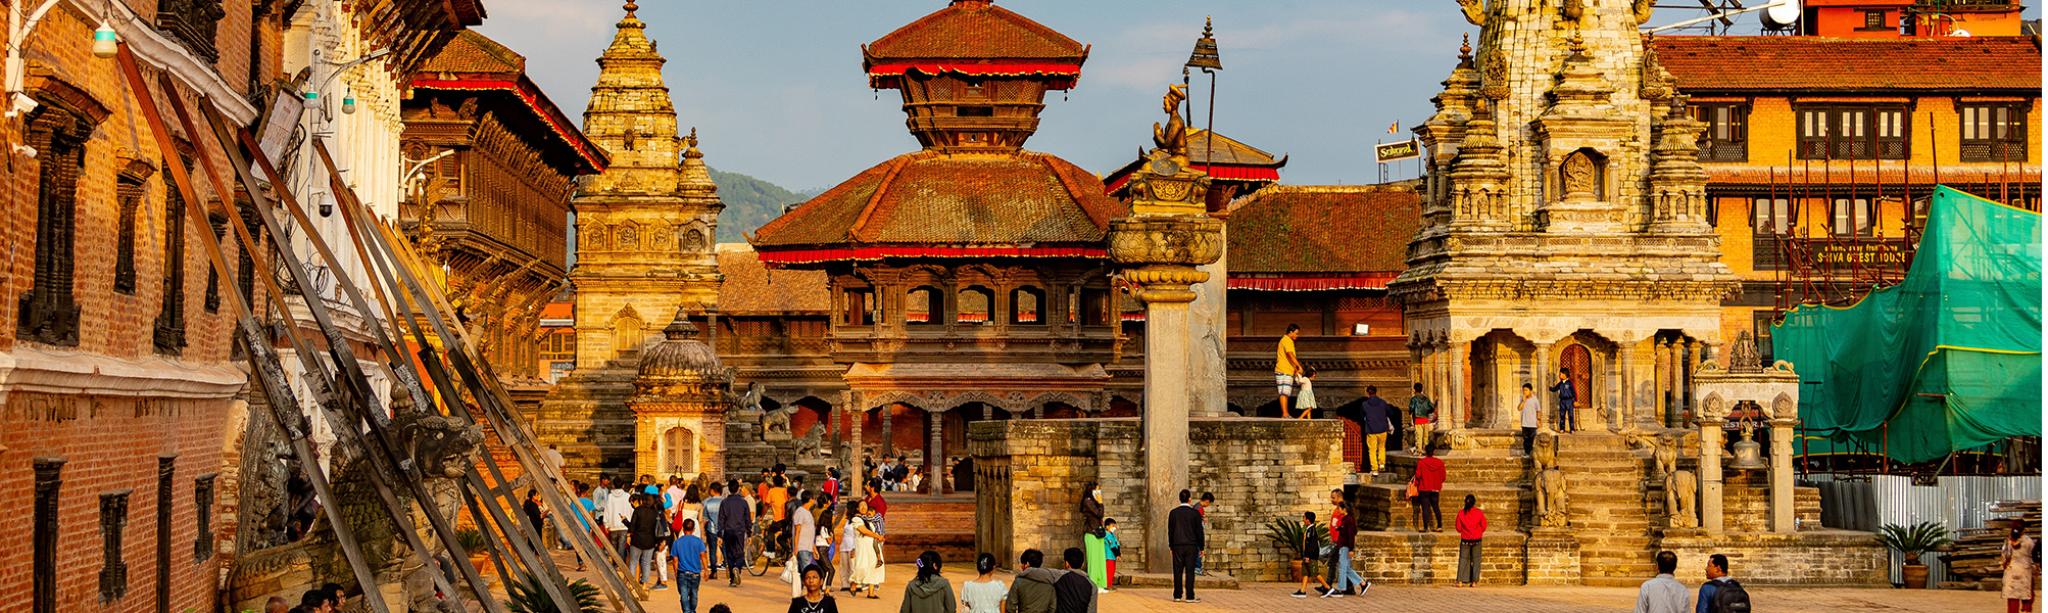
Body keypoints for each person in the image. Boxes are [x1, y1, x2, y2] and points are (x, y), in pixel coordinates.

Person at [1326, 488, 1368, 598]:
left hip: (1345, 546)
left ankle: (1341, 589)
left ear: (1344, 509)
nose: (1338, 510)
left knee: (1342, 568)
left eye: (1340, 508)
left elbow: (1350, 536)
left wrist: (1351, 549)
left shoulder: (1348, 520)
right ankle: (1362, 583)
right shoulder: (1346, 519)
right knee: (1346, 568)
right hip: (1342, 545)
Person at [1167, 489, 1203, 603]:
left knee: (1177, 571)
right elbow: (1199, 532)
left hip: (1177, 545)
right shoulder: (1195, 513)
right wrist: (1201, 547)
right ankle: (1189, 596)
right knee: (1190, 571)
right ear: (1189, 499)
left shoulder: (1173, 513)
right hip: (1191, 545)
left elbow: (1170, 531)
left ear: (1179, 499)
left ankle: (1177, 595)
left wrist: (1171, 546)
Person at [718, 478, 755, 587]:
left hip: (728, 530)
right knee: (739, 552)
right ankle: (737, 567)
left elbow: (721, 519)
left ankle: (733, 578)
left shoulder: (724, 502)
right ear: (738, 489)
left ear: (728, 489)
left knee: (729, 554)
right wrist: (749, 533)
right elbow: (747, 519)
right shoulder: (743, 502)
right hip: (740, 531)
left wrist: (719, 534)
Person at [670, 518, 710, 613]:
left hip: (682, 572)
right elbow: (703, 556)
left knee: (683, 594)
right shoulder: (698, 542)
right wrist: (706, 569)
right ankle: (692, 610)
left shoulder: (677, 542)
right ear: (694, 529)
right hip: (695, 572)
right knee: (694, 593)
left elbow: (675, 560)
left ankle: (687, 611)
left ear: (683, 529)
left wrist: (676, 573)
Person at [849, 499, 887, 599]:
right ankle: (854, 583)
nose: (863, 507)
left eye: (865, 505)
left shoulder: (869, 519)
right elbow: (864, 531)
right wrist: (877, 536)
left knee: (873, 568)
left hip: (873, 548)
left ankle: (871, 593)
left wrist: (880, 537)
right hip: (862, 548)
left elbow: (878, 529)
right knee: (862, 567)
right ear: (857, 508)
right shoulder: (856, 519)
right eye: (861, 506)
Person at [1293, 511, 1335, 598]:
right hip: (1307, 556)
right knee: (1305, 573)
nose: (1303, 519)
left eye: (1304, 518)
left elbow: (1311, 546)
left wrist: (1308, 556)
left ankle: (1327, 588)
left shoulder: (1311, 531)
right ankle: (1302, 591)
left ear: (1308, 520)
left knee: (1315, 573)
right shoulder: (1309, 529)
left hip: (1310, 557)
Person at [629, 494, 667, 588]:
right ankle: (644, 584)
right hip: (650, 541)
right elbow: (657, 528)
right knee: (646, 563)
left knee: (633, 561)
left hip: (637, 540)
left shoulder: (638, 510)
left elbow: (632, 525)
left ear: (642, 501)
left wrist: (629, 535)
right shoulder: (654, 513)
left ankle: (631, 582)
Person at [1455, 495, 1488, 587]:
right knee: (1476, 560)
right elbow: (1484, 525)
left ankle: (1460, 580)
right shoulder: (1479, 512)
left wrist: (1465, 531)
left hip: (1465, 539)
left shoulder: (1461, 513)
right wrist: (1478, 531)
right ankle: (1474, 581)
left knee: (1463, 560)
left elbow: (1458, 528)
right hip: (1477, 539)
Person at [1360, 386, 1393, 475]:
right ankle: (1382, 464)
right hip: (1382, 429)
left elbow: (1362, 415)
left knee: (1372, 450)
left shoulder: (1365, 404)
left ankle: (1374, 469)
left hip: (1371, 430)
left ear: (1367, 393)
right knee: (1382, 447)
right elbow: (1390, 412)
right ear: (1376, 392)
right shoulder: (1382, 403)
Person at [1054, 547, 1098, 613]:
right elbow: (1091, 610)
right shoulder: (1092, 586)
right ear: (1082, 564)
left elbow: (1034, 572)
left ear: (1066, 563)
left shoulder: (1057, 576)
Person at [1413, 446, 1446, 532]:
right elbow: (1443, 477)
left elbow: (1418, 475)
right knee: (1436, 507)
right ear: (1434, 452)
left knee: (1425, 508)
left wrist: (1416, 484)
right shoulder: (1440, 463)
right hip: (1435, 488)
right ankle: (1439, 526)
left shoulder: (1422, 462)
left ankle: (1425, 527)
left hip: (1424, 488)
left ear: (1425, 452)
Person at [2004, 527, 2037, 613]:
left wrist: (2005, 564)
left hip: (2012, 569)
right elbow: (2034, 554)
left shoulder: (2008, 541)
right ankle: (2026, 609)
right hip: (2025, 569)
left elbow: (2005, 554)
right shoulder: (2029, 541)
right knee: (2027, 591)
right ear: (2024, 530)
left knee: (2012, 594)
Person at [1276, 323, 1305, 418]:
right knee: (1284, 392)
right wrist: (1299, 366)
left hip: (1286, 370)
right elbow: (1290, 354)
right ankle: (1284, 413)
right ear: (1291, 332)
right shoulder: (1287, 340)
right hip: (1283, 370)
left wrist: (1295, 369)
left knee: (1286, 392)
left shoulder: (1286, 340)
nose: (1297, 335)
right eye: (1296, 333)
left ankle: (1285, 413)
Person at [792, 491, 819, 573]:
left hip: (808, 547)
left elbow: (810, 533)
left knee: (804, 572)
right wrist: (796, 548)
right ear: (810, 499)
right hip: (802, 547)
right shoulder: (800, 512)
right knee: (807, 572)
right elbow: (797, 531)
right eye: (813, 498)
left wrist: (814, 548)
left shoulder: (808, 513)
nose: (815, 500)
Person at [704, 481, 725, 579]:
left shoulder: (707, 502)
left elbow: (705, 518)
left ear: (712, 490)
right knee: (724, 549)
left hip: (711, 528)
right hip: (724, 529)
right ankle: (729, 568)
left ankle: (714, 571)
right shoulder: (725, 501)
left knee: (712, 550)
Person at [1408, 382, 1435, 454]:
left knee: (1419, 436)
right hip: (1425, 419)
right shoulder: (1426, 399)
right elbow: (1432, 407)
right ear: (1422, 389)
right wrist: (1428, 412)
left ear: (1414, 390)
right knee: (1425, 436)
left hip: (1418, 419)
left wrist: (1410, 412)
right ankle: (1425, 450)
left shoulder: (1414, 399)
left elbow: (1411, 408)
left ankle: (1419, 451)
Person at [1551, 367, 1578, 433]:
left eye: (1561, 374)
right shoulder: (1560, 383)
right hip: (1562, 401)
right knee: (1562, 415)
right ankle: (1562, 428)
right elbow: (1554, 389)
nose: (1559, 375)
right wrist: (1548, 387)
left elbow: (1574, 392)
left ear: (1565, 374)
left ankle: (1572, 429)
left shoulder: (1569, 383)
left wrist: (1575, 400)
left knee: (1570, 415)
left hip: (1569, 401)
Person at [1519, 383, 1541, 456]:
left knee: (1532, 439)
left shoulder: (1535, 400)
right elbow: (1519, 408)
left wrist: (1538, 420)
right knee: (1526, 440)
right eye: (1523, 390)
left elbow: (1538, 411)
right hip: (1524, 423)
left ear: (1530, 391)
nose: (1524, 392)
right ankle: (1527, 453)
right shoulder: (1522, 399)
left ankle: (1533, 453)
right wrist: (1524, 401)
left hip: (1532, 424)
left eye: (1526, 390)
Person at [1101, 519, 1121, 592]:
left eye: (1114, 526)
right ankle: (1107, 586)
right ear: (1107, 527)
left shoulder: (1112, 535)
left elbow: (1117, 544)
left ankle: (1110, 585)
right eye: (1112, 526)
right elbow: (1112, 546)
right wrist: (1117, 555)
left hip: (1112, 557)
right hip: (1109, 556)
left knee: (1112, 571)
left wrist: (1118, 554)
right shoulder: (1107, 535)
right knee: (1109, 571)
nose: (1114, 527)